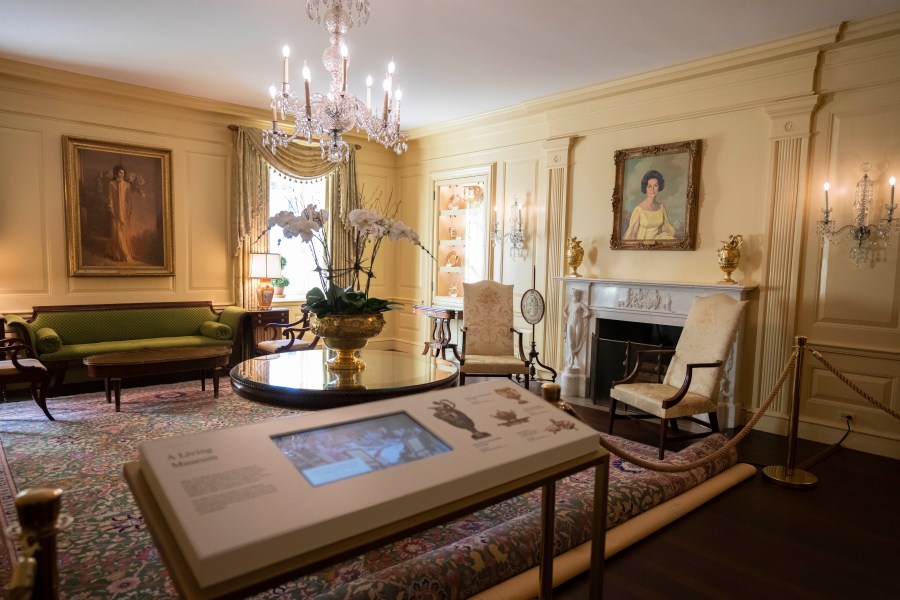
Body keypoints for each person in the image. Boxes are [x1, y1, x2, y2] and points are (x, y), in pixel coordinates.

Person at [624, 169, 676, 240]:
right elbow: (633, 235)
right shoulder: (639, 210)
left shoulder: (661, 207)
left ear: (659, 187)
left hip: (657, 243)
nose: (652, 189)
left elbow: (663, 230)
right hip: (642, 244)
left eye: (655, 185)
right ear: (645, 188)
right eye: (649, 186)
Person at [105, 165, 134, 263]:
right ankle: (117, 254)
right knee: (116, 231)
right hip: (116, 210)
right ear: (116, 173)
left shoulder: (127, 185)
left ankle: (124, 253)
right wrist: (111, 208)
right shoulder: (111, 184)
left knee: (123, 231)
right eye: (120, 172)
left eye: (123, 173)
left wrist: (128, 209)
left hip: (124, 211)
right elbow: (110, 198)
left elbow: (129, 199)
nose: (122, 175)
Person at [564, 288, 591, 369]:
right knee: (571, 342)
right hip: (570, 323)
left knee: (576, 341)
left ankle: (572, 359)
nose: (577, 297)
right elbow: (564, 311)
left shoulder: (580, 304)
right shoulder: (569, 304)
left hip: (578, 323)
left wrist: (582, 317)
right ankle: (572, 361)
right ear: (572, 295)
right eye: (576, 295)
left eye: (578, 295)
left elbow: (588, 312)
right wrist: (566, 316)